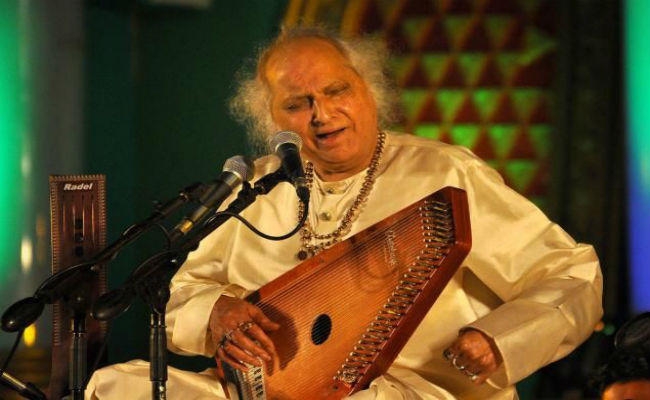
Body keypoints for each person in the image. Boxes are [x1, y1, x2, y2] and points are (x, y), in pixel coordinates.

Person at [86, 26, 603, 400]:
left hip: (410, 390)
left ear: (369, 91)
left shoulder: (445, 174)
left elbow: (571, 273)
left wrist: (498, 338)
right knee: (115, 387)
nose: (322, 114)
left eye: (337, 91)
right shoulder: (255, 187)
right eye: (297, 104)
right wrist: (216, 313)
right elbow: (178, 295)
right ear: (270, 120)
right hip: (270, 392)